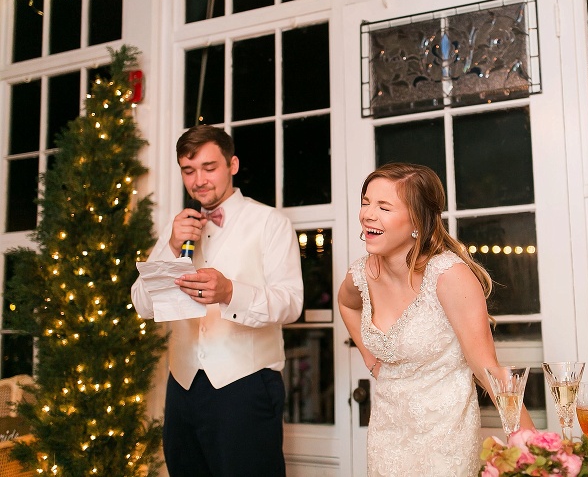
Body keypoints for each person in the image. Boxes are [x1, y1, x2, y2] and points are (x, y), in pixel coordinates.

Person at [338, 162, 534, 477]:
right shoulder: (362, 272)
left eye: (384, 207)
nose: (368, 214)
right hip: (387, 434)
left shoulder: (448, 275)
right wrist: (370, 358)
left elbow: (488, 368)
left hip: (446, 438)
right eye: (366, 202)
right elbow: (346, 304)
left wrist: (531, 445)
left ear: (417, 221)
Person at [130, 125, 303, 477]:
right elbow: (143, 305)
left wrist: (230, 293)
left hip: (246, 386)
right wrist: (170, 247)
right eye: (188, 170)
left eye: (209, 168)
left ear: (232, 165)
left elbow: (291, 302)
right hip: (182, 387)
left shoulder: (270, 222)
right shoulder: (175, 229)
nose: (199, 181)